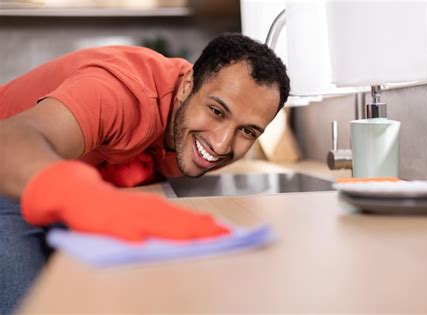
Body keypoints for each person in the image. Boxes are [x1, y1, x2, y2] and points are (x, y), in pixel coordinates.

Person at [0, 33, 290, 313]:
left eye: (248, 131)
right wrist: (84, 198)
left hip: (56, 188)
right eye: (216, 111)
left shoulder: (195, 134)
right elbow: (8, 144)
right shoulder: (117, 91)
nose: (221, 143)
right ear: (188, 85)